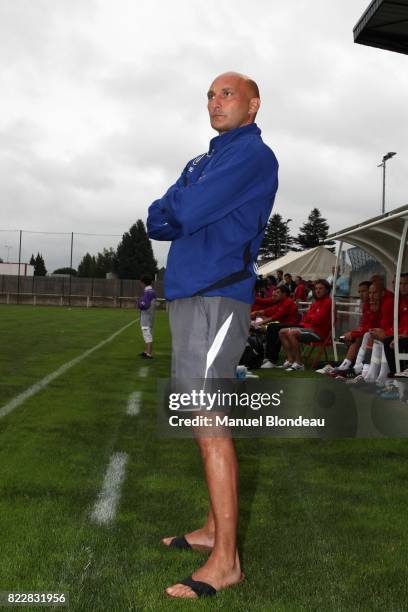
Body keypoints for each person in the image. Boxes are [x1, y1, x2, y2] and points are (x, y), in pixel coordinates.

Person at [147, 71, 278, 599]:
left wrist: (184, 203)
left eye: (227, 93)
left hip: (218, 296)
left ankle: (227, 562)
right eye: (209, 94)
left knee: (208, 418)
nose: (215, 101)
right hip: (189, 296)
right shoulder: (204, 161)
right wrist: (183, 202)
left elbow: (187, 209)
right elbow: (157, 219)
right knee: (202, 414)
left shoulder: (253, 155)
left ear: (252, 105)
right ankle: (210, 531)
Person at [278, 279, 332, 371]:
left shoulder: (328, 302)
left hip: (320, 333)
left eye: (320, 288)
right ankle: (290, 360)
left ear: (327, 290)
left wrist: (311, 317)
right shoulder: (316, 302)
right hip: (311, 328)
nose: (317, 291)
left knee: (292, 333)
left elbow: (318, 320)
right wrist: (312, 317)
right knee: (282, 332)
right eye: (316, 289)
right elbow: (307, 317)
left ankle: (299, 364)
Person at [137, 275, 156, 359]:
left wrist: (138, 302)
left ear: (143, 283)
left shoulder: (148, 292)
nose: (140, 284)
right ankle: (147, 352)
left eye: (141, 282)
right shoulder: (151, 291)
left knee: (147, 334)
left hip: (146, 317)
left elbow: (144, 305)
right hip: (150, 316)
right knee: (148, 334)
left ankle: (148, 354)